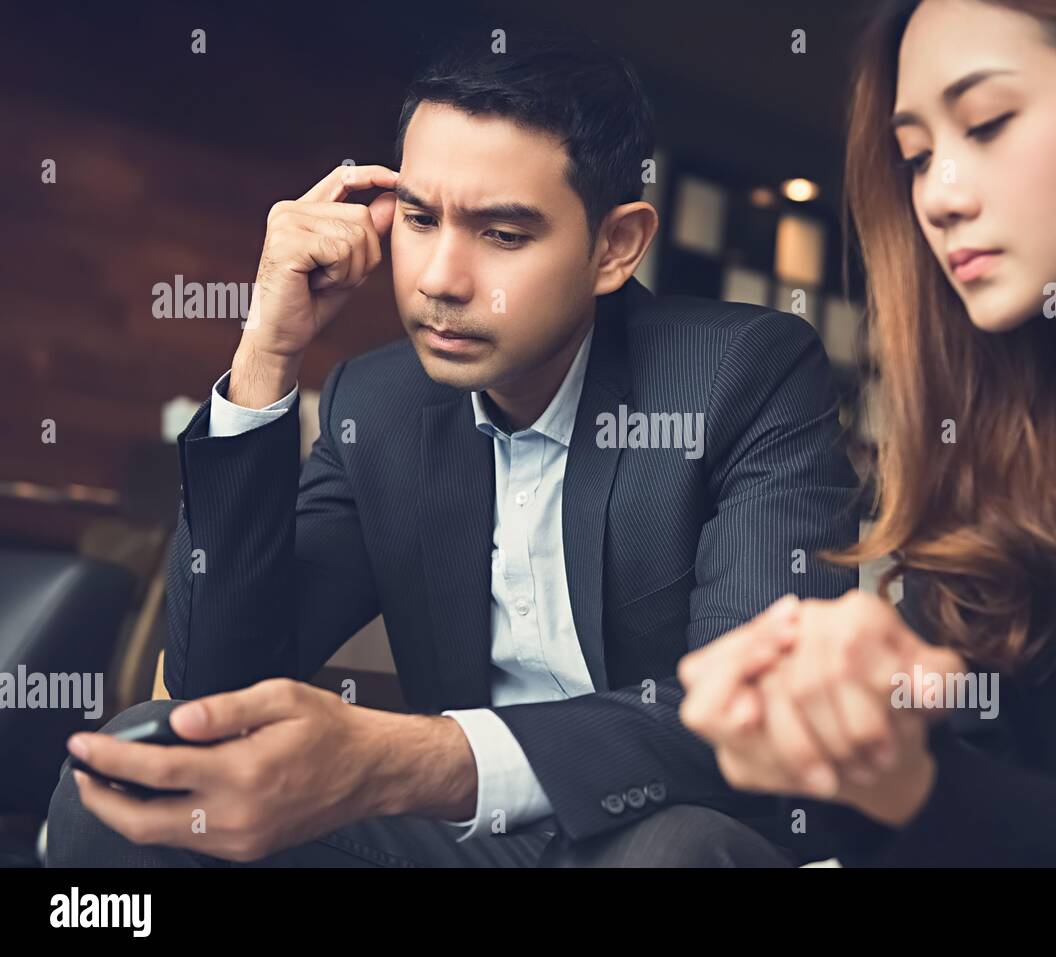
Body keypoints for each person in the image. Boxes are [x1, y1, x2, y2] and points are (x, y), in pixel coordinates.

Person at [46, 27, 859, 868]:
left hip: (665, 825)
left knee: (669, 852)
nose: (440, 277)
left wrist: (406, 757)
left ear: (614, 247)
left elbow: (761, 716)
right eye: (420, 218)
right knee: (137, 774)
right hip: (466, 841)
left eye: (503, 234)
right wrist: (265, 354)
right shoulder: (382, 404)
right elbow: (220, 685)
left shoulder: (742, 374)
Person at [679, 0, 1056, 866]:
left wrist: (921, 789)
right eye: (917, 156)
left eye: (988, 123)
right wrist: (848, 736)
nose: (938, 195)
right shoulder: (986, 453)